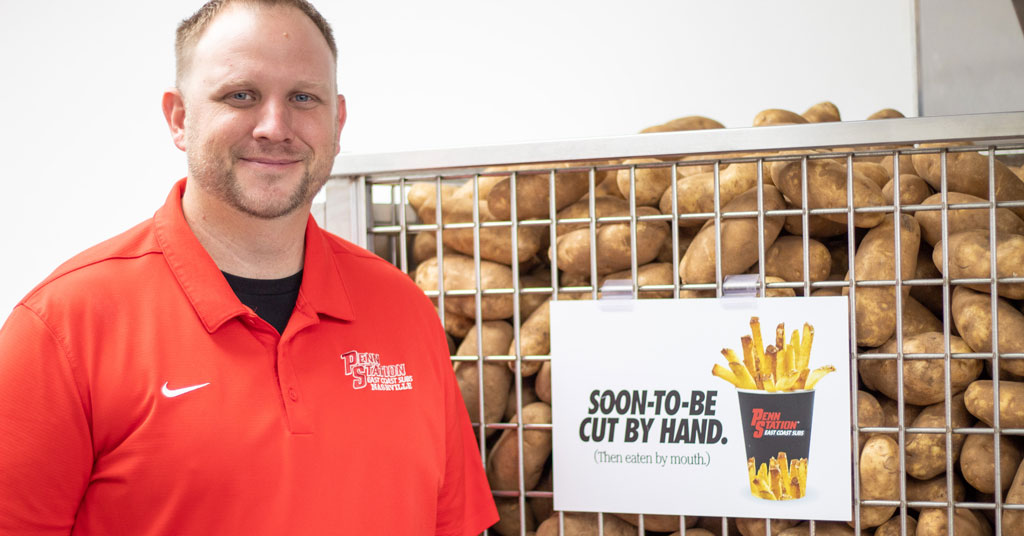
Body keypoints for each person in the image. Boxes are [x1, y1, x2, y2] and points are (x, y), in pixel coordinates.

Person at [0, 0, 498, 534]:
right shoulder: (62, 328)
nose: (274, 126)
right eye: (241, 95)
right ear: (180, 118)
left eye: (304, 97)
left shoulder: (404, 311)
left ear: (338, 120)